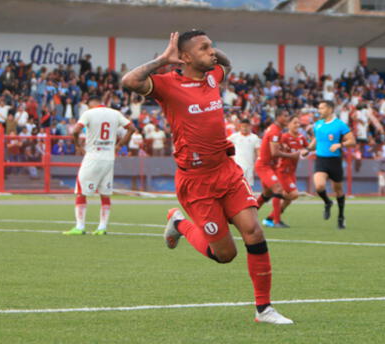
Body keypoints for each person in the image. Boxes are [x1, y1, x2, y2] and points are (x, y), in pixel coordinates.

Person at [122, 30, 292, 324]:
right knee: (225, 255)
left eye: (211, 47)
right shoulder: (168, 84)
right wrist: (162, 59)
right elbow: (129, 81)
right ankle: (178, 222)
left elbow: (228, 64)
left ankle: (264, 309)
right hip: (196, 181)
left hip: (225, 171)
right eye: (204, 48)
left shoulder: (213, 76)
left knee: (254, 231)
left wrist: (212, 50)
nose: (212, 52)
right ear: (185, 57)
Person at [63, 96, 135, 236]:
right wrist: (119, 145)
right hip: (109, 158)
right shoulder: (115, 113)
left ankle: (80, 226)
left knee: (81, 191)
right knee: (105, 193)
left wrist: (78, 146)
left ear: (90, 104)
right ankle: (102, 227)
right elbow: (132, 128)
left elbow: (76, 131)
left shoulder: (88, 113)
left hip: (93, 156)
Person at [301, 100, 355, 229]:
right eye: (318, 108)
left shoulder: (340, 125)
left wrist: (340, 144)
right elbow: (316, 140)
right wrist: (308, 149)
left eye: (322, 108)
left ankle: (341, 216)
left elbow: (352, 141)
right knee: (319, 186)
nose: (319, 111)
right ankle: (327, 202)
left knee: (338, 190)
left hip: (335, 161)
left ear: (330, 109)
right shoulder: (318, 125)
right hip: (321, 160)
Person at [254, 109, 299, 228]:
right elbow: (274, 152)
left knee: (267, 194)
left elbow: (273, 148)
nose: (287, 118)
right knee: (278, 190)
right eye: (285, 116)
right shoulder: (275, 131)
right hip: (264, 166)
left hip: (270, 166)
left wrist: (282, 146)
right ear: (278, 117)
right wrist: (291, 155)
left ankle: (249, 216)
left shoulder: (276, 130)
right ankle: (276, 221)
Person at [264, 116, 307, 227]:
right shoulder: (284, 137)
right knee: (293, 194)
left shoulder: (302, 138)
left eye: (298, 123)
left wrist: (305, 151)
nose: (297, 125)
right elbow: (275, 150)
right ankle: (276, 221)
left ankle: (270, 218)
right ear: (288, 125)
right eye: (294, 123)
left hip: (292, 172)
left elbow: (307, 149)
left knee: (289, 198)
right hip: (282, 171)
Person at [227, 119, 260, 188]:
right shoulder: (234, 137)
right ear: (240, 127)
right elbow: (224, 145)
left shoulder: (255, 138)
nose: (244, 128)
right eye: (243, 126)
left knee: (248, 187)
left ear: (250, 127)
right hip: (237, 167)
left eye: (246, 126)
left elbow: (258, 153)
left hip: (249, 167)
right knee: (237, 187)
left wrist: (256, 166)